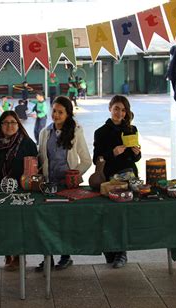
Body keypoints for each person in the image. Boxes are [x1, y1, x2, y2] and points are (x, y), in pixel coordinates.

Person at [36, 96, 92, 272]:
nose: (56, 115)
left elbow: (86, 160)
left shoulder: (76, 132)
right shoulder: (45, 132)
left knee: (64, 223)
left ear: (68, 114)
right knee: (46, 223)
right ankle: (48, 258)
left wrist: (74, 176)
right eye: (54, 111)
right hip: (48, 186)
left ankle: (66, 256)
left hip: (67, 188)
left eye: (60, 112)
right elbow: (41, 158)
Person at [93, 95, 141, 269]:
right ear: (110, 109)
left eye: (122, 109)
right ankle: (109, 250)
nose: (119, 113)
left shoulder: (132, 129)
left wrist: (136, 153)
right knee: (108, 214)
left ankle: (121, 252)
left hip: (129, 177)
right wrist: (112, 153)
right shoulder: (101, 132)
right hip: (109, 179)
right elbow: (96, 159)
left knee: (123, 216)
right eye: (116, 109)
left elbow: (137, 158)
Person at [0, 111, 38, 270]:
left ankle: (18, 255)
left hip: (20, 191)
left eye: (13, 122)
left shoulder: (27, 143)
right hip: (0, 191)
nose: (9, 126)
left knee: (18, 225)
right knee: (3, 225)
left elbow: (34, 168)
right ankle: (7, 254)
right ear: (0, 125)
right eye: (5, 122)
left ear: (18, 124)